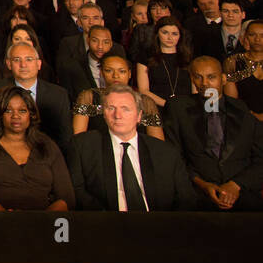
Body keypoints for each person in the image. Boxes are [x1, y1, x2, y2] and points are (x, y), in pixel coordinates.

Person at [69, 83, 197, 211]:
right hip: (106, 223)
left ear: (139, 116)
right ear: (104, 114)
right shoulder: (83, 146)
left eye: (125, 109)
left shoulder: (165, 152)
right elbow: (77, 190)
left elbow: (185, 198)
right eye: (111, 108)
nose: (117, 115)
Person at [163, 57, 263, 210]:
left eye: (211, 77)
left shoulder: (242, 109)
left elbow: (260, 158)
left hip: (242, 191)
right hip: (196, 192)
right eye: (198, 77)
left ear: (223, 79)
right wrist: (204, 185)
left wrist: (235, 185)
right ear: (191, 78)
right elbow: (174, 157)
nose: (204, 83)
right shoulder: (177, 108)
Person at [0, 86, 75, 211]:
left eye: (22, 111)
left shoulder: (47, 144)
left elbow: (67, 197)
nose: (15, 116)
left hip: (44, 223)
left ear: (31, 114)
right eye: (8, 110)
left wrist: (41, 220)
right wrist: (7, 218)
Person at [0, 40, 73, 149]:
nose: (23, 65)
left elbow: (65, 138)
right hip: (5, 155)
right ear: (8, 64)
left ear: (39, 64)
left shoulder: (58, 95)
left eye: (29, 59)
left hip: (47, 156)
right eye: (17, 60)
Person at [72, 54, 164, 139]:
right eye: (109, 70)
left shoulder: (145, 102)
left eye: (122, 71)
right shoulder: (89, 97)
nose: (115, 76)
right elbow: (78, 139)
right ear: (101, 73)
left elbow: (157, 144)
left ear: (129, 74)